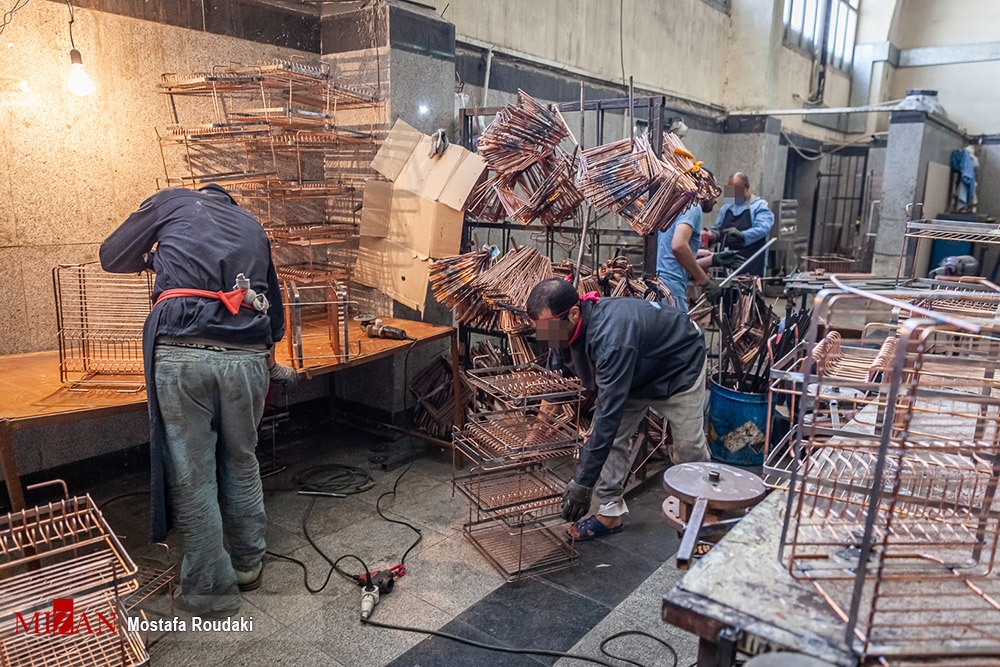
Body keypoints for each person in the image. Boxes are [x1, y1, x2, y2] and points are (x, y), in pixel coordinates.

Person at [101, 184, 298, 616]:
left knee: (194, 476)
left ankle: (211, 589)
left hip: (182, 352)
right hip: (247, 358)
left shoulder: (170, 201)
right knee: (242, 459)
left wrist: (154, 259)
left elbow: (111, 255)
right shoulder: (252, 224)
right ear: (229, 202)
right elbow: (277, 317)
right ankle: (249, 564)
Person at [527, 278, 710, 541]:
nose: (544, 336)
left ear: (574, 313)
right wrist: (533, 438)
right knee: (610, 439)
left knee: (688, 447)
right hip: (634, 370)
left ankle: (702, 512)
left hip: (678, 365)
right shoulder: (561, 332)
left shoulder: (611, 338)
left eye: (546, 328)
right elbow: (557, 386)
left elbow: (607, 417)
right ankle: (610, 512)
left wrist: (583, 483)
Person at [657, 194, 742, 311]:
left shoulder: (673, 206)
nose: (716, 200)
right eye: (714, 192)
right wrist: (705, 282)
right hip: (671, 291)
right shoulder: (692, 207)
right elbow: (679, 246)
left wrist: (713, 260)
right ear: (703, 189)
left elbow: (674, 261)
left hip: (660, 286)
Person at [704, 172, 775, 276]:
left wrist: (742, 235)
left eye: (736, 191)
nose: (733, 194)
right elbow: (717, 228)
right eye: (730, 190)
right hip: (727, 261)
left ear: (746, 187)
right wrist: (712, 235)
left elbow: (763, 229)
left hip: (751, 262)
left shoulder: (759, 206)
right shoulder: (728, 205)